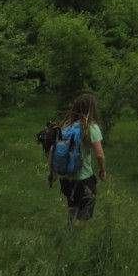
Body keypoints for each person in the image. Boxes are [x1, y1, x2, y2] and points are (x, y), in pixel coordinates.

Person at [50, 93, 107, 223]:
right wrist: (103, 171)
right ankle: (79, 240)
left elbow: (54, 150)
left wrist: (51, 172)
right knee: (84, 216)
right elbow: (99, 155)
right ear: (90, 109)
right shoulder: (91, 128)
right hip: (84, 179)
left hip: (66, 178)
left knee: (72, 208)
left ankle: (69, 234)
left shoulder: (66, 127)